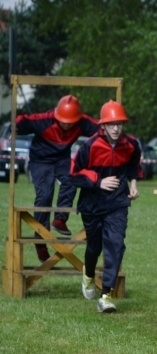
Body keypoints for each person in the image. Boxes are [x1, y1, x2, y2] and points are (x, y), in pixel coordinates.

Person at [69, 100, 140, 313]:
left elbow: (133, 167)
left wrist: (134, 183)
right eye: (111, 124)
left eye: (119, 123)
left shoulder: (131, 145)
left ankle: (106, 294)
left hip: (117, 203)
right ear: (103, 125)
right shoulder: (89, 146)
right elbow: (73, 174)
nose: (116, 128)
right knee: (94, 247)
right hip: (92, 205)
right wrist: (98, 182)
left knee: (116, 245)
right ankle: (88, 274)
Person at [17, 94, 100, 262]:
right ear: (56, 115)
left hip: (61, 159)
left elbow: (101, 128)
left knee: (72, 178)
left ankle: (60, 219)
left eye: (70, 123)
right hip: (40, 161)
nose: (66, 125)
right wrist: (15, 129)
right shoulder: (44, 120)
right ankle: (40, 239)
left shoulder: (81, 122)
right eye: (63, 121)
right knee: (45, 195)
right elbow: (22, 120)